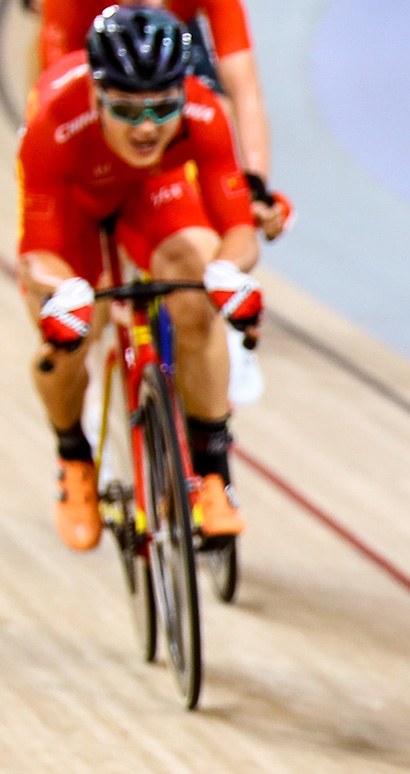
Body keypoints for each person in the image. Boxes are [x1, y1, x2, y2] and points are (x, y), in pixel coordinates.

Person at [19, 5, 262, 551]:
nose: (148, 127)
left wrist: (228, 273)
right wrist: (67, 294)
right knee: (67, 339)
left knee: (197, 288)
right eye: (127, 111)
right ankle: (74, 458)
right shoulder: (56, 118)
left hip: (150, 195)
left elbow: (238, 228)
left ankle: (213, 472)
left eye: (161, 108)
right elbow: (38, 251)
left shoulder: (202, 112)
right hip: (75, 207)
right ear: (96, 98)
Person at [37, 0, 287, 241]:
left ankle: (183, 197)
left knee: (215, 108)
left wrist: (255, 187)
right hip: (88, 40)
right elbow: (53, 95)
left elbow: (245, 90)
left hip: (167, 37)